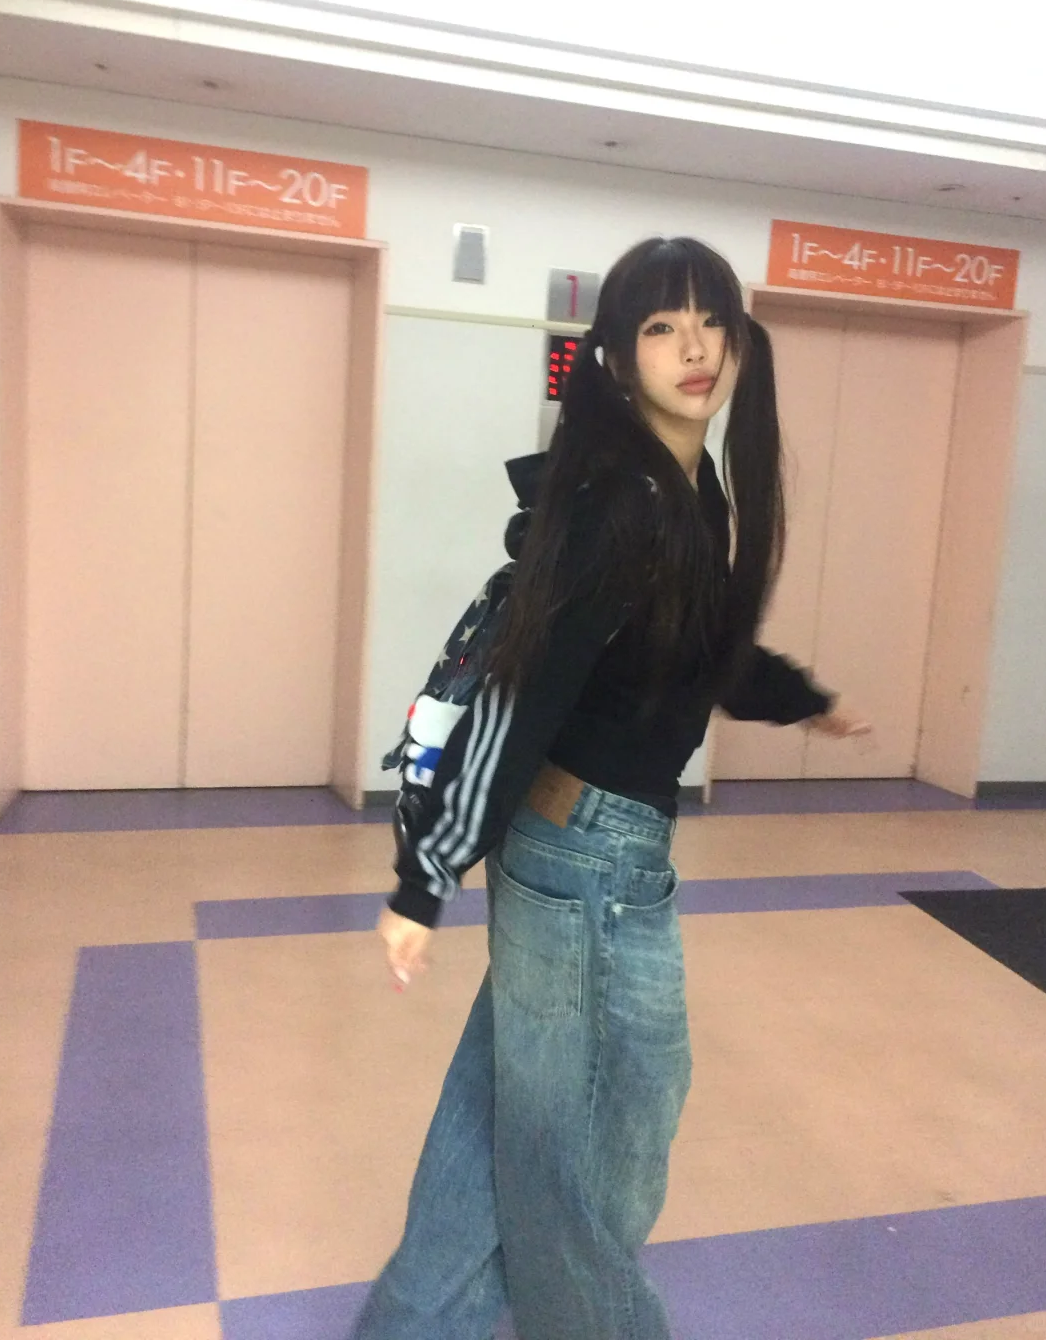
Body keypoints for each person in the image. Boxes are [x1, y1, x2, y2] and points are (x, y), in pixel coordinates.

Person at [353, 236, 870, 1340]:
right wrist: (424, 874)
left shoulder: (690, 487)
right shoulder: (620, 501)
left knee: (511, 1107)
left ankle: (411, 1324)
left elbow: (696, 647)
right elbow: (519, 692)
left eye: (712, 322)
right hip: (589, 854)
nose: (695, 348)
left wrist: (798, 698)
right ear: (617, 355)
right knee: (602, 1131)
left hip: (581, 844)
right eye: (661, 327)